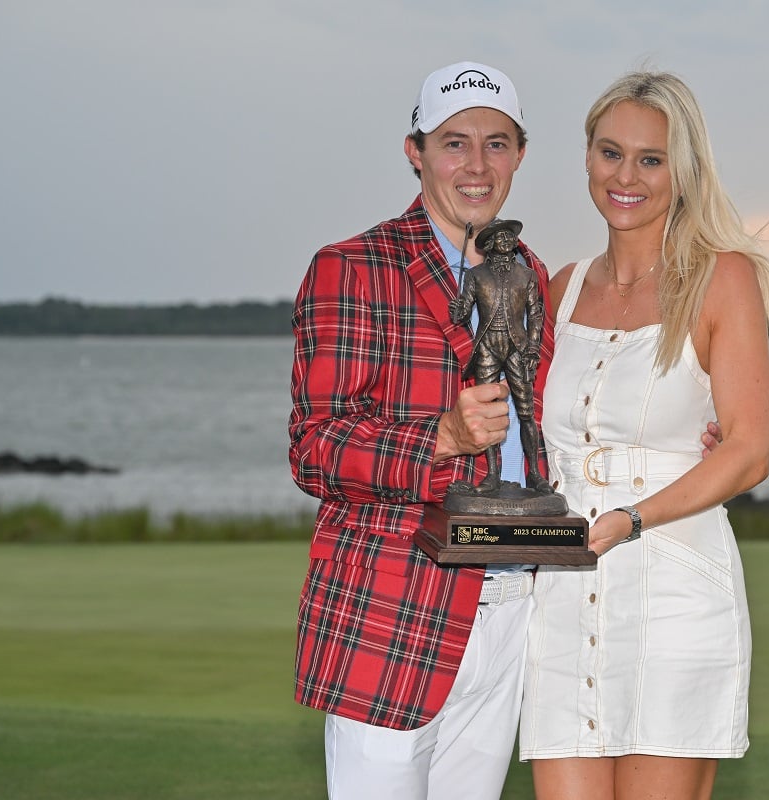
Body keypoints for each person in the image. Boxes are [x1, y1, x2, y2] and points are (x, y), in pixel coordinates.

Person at [519, 70, 769, 800]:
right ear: (585, 158)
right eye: (611, 153)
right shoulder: (560, 287)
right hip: (564, 596)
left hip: (673, 589)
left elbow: (749, 450)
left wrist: (631, 518)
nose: (625, 176)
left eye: (651, 159)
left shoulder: (720, 280)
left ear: (683, 170)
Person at [288, 61, 550, 800]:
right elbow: (315, 448)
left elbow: (547, 413)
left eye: (497, 143)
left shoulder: (527, 268)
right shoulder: (351, 267)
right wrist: (441, 438)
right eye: (454, 142)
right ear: (416, 150)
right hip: (392, 613)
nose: (476, 164)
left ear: (520, 154)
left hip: (511, 609)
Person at [449, 219, 552, 495]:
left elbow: (536, 315)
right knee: (488, 412)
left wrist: (532, 348)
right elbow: (462, 313)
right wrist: (457, 309)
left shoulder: (527, 275)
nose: (508, 241)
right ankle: (493, 475)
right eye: (502, 237)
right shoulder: (475, 276)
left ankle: (534, 474)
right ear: (491, 244)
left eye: (510, 237)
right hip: (487, 347)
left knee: (526, 410)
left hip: (517, 346)